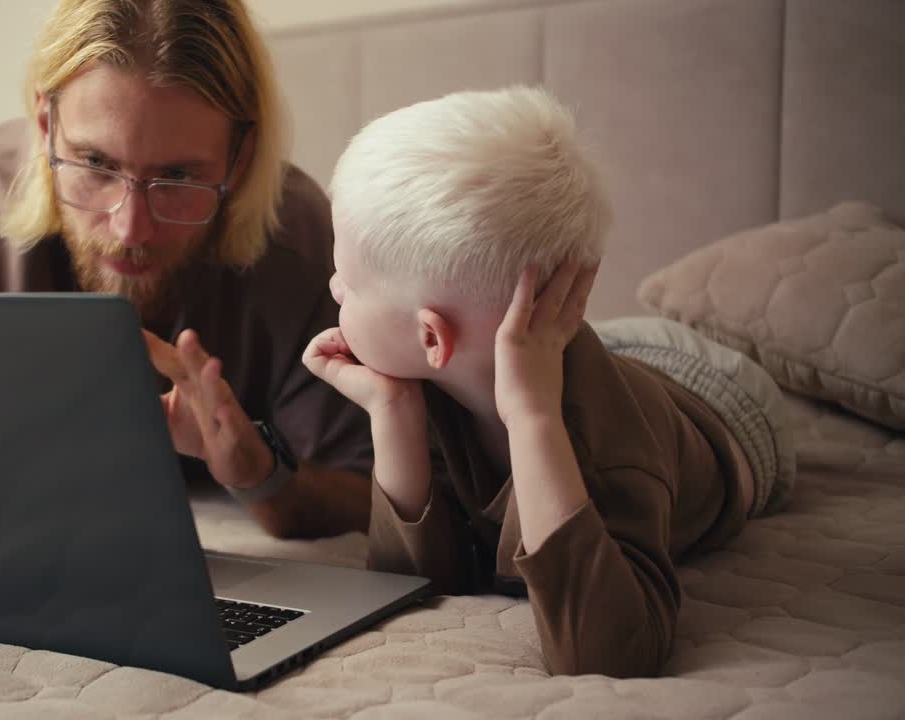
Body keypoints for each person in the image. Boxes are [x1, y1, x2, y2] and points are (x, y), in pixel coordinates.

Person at [302, 86, 794, 677]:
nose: (333, 289)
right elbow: (414, 587)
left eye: (347, 280)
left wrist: (532, 420)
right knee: (558, 348)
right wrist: (394, 414)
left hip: (723, 398)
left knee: (576, 366)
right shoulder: (429, 376)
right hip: (595, 348)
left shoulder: (611, 457)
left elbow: (611, 653)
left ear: (432, 338)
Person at [0, 0, 373, 539]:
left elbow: (366, 493)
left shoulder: (301, 241)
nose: (130, 229)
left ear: (239, 159)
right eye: (95, 165)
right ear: (46, 123)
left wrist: (259, 474)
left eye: (177, 176)